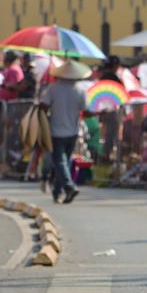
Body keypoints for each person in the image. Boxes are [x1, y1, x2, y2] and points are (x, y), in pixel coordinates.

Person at [39, 60, 91, 204]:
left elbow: (44, 106)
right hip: (73, 131)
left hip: (56, 131)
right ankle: (58, 191)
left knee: (60, 162)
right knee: (64, 162)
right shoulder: (80, 90)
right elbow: (85, 110)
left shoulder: (53, 89)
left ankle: (68, 186)